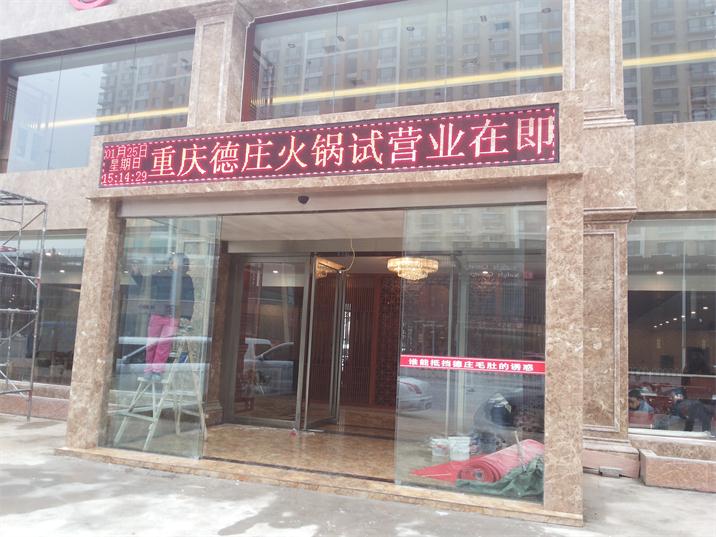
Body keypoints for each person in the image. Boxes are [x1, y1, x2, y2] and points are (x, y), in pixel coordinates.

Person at [131, 253, 194, 378]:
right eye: (176, 261)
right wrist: (137, 273)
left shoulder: (186, 279)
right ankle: (148, 370)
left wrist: (186, 317)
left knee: (164, 344)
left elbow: (189, 299)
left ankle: (157, 371)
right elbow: (145, 283)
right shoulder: (162, 274)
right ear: (171, 263)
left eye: (181, 262)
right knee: (152, 343)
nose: (178, 264)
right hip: (158, 313)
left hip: (173, 316)